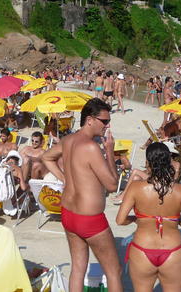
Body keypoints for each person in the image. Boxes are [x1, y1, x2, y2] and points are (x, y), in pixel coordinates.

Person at [42, 98, 122, 292]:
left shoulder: (68, 140)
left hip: (69, 214)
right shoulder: (91, 147)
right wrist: (110, 151)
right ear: (90, 120)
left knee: (78, 268)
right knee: (114, 272)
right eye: (104, 121)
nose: (107, 125)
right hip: (90, 219)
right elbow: (112, 185)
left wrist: (64, 179)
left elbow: (46, 157)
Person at [116, 142, 181, 292]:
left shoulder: (135, 187)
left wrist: (136, 219)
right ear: (168, 162)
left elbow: (120, 220)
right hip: (173, 250)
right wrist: (178, 221)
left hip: (142, 249)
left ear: (147, 162)